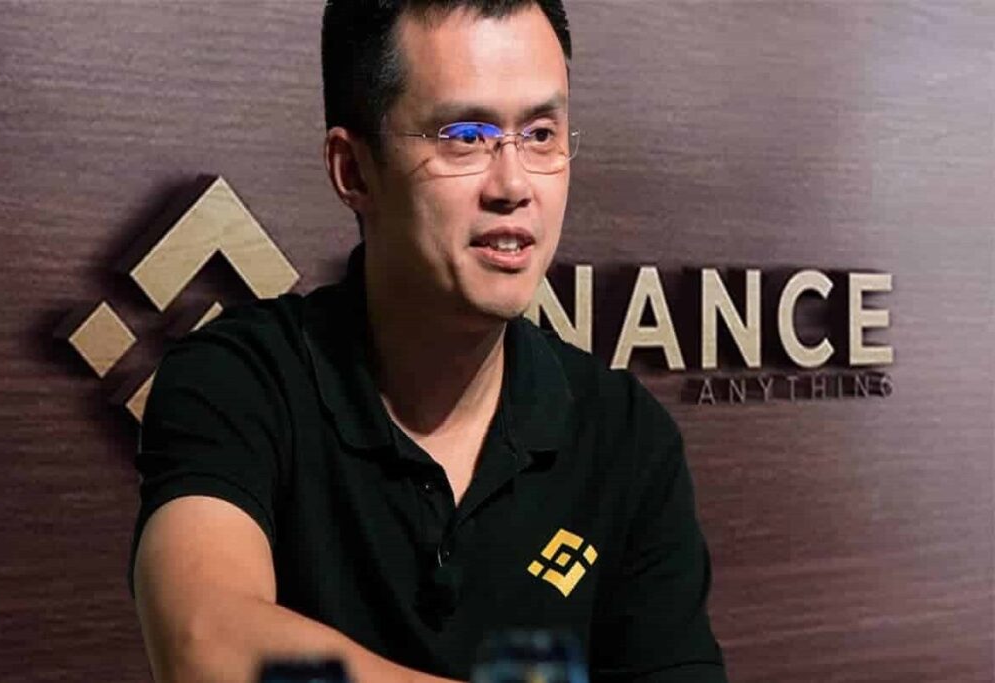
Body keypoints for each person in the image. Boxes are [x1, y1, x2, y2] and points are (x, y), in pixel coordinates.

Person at [129, 1, 728, 682]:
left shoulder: (624, 435)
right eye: (465, 136)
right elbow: (205, 642)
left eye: (540, 134)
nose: (513, 185)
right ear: (354, 170)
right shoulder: (240, 380)